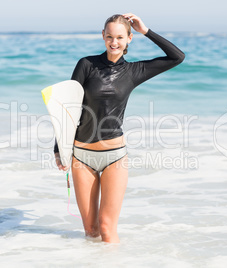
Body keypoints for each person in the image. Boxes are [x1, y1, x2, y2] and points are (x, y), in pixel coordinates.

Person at [54, 13, 185, 243]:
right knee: (91, 230)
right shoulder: (86, 65)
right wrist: (59, 148)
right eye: (109, 37)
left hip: (114, 156)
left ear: (129, 39)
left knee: (107, 228)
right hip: (81, 156)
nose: (114, 42)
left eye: (120, 37)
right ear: (102, 36)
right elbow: (68, 108)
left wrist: (147, 31)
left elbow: (177, 57)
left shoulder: (134, 71)